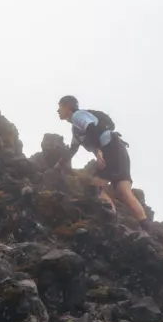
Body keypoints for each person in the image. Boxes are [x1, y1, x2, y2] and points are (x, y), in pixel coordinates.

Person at [56, 96, 152, 232]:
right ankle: (146, 228)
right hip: (117, 149)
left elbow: (92, 129)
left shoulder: (78, 115)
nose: (58, 111)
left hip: (110, 148)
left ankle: (112, 222)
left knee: (97, 187)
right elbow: (73, 148)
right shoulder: (76, 129)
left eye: (60, 107)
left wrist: (98, 152)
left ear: (68, 106)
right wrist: (60, 163)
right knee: (123, 191)